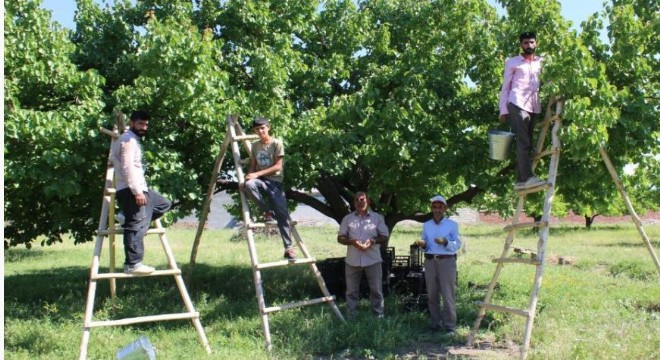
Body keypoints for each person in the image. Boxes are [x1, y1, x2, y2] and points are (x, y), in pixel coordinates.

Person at [112, 110, 172, 274]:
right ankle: (133, 264)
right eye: (140, 123)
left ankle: (125, 216)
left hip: (139, 188)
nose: (144, 127)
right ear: (132, 123)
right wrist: (137, 192)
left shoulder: (132, 140)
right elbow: (128, 167)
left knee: (163, 203)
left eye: (146, 124)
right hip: (131, 189)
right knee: (136, 224)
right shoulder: (128, 141)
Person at [242, 117, 295, 260]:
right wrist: (248, 176)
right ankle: (267, 211)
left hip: (275, 182)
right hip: (260, 180)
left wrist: (256, 174)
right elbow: (252, 166)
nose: (260, 131)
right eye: (257, 129)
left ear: (268, 128)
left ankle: (289, 248)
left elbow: (278, 167)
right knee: (248, 185)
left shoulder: (277, 143)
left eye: (262, 128)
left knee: (282, 214)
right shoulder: (255, 146)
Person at [499, 31, 546, 191]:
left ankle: (520, 180)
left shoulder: (541, 62)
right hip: (517, 102)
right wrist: (503, 109)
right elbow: (505, 87)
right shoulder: (512, 62)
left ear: (536, 43)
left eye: (532, 42)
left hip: (533, 105)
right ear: (521, 45)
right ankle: (527, 177)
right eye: (526, 43)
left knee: (528, 142)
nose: (529, 45)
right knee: (523, 140)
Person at [337, 192, 390, 318]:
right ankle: (351, 316)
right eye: (356, 200)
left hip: (373, 259)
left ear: (368, 202)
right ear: (354, 203)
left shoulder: (377, 218)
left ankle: (378, 315)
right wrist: (352, 242)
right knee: (351, 291)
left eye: (362, 199)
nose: (359, 202)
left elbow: (385, 236)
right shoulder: (348, 219)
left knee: (376, 290)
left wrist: (373, 241)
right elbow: (340, 238)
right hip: (352, 260)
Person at [418, 195, 461, 333]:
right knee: (432, 295)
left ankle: (450, 327)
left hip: (446, 261)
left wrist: (446, 242)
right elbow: (425, 244)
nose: (437, 210)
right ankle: (435, 324)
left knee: (448, 295)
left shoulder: (452, 225)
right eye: (434, 207)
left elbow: (457, 244)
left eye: (440, 207)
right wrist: (422, 245)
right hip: (430, 261)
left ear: (445, 208)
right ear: (431, 208)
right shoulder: (426, 225)